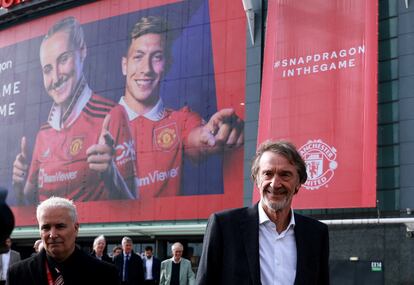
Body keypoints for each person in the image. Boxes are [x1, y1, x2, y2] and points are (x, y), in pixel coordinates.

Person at [12, 16, 136, 205]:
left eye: (63, 59)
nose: (55, 77)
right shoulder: (44, 133)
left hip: (88, 234)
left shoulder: (112, 115)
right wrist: (18, 186)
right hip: (49, 234)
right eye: (47, 69)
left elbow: (135, 208)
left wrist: (111, 175)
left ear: (82, 51)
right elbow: (28, 204)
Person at [119, 16, 244, 198]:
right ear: (125, 65)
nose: (146, 69)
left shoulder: (181, 120)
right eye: (138, 57)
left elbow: (198, 139)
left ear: (167, 65)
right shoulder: (98, 125)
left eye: (157, 57)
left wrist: (210, 135)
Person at [196, 140, 330, 285]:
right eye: (268, 174)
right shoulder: (224, 226)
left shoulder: (316, 233)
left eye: (285, 175)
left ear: (298, 183)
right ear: (257, 180)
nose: (275, 184)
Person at [7, 196, 120, 285]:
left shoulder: (104, 274)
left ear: (75, 228)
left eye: (60, 226)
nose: (53, 234)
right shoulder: (18, 274)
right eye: (46, 227)